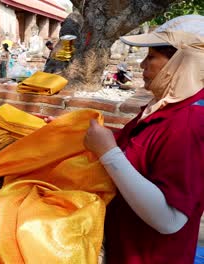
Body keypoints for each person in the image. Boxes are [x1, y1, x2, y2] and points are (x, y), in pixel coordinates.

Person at [82, 15, 204, 264]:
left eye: (151, 57)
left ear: (181, 63)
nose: (141, 66)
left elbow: (169, 219)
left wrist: (108, 153)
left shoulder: (190, 122)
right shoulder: (164, 106)